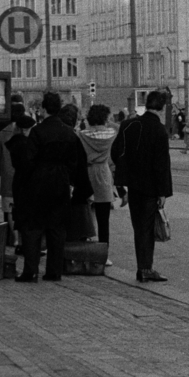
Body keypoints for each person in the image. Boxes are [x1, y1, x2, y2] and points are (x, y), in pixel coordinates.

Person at [14, 92, 91, 282]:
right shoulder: (68, 133)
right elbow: (75, 163)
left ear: (43, 109)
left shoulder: (37, 131)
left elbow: (28, 161)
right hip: (61, 184)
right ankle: (54, 271)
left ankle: (30, 271)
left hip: (38, 184)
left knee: (33, 228)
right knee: (57, 229)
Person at [113, 88, 173, 282]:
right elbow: (161, 164)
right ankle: (145, 269)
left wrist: (125, 176)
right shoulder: (159, 130)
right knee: (146, 229)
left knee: (139, 227)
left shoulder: (128, 125)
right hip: (150, 188)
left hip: (133, 185)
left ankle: (143, 268)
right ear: (162, 108)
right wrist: (163, 192)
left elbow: (116, 153)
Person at [79, 103, 119, 264]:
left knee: (84, 216)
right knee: (104, 220)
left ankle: (82, 252)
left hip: (86, 174)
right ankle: (104, 255)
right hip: (103, 175)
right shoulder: (112, 134)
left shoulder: (81, 135)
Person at [0, 102, 29, 224]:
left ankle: (11, 237)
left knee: (8, 209)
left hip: (7, 177)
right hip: (25, 177)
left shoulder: (2, 134)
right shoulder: (27, 132)